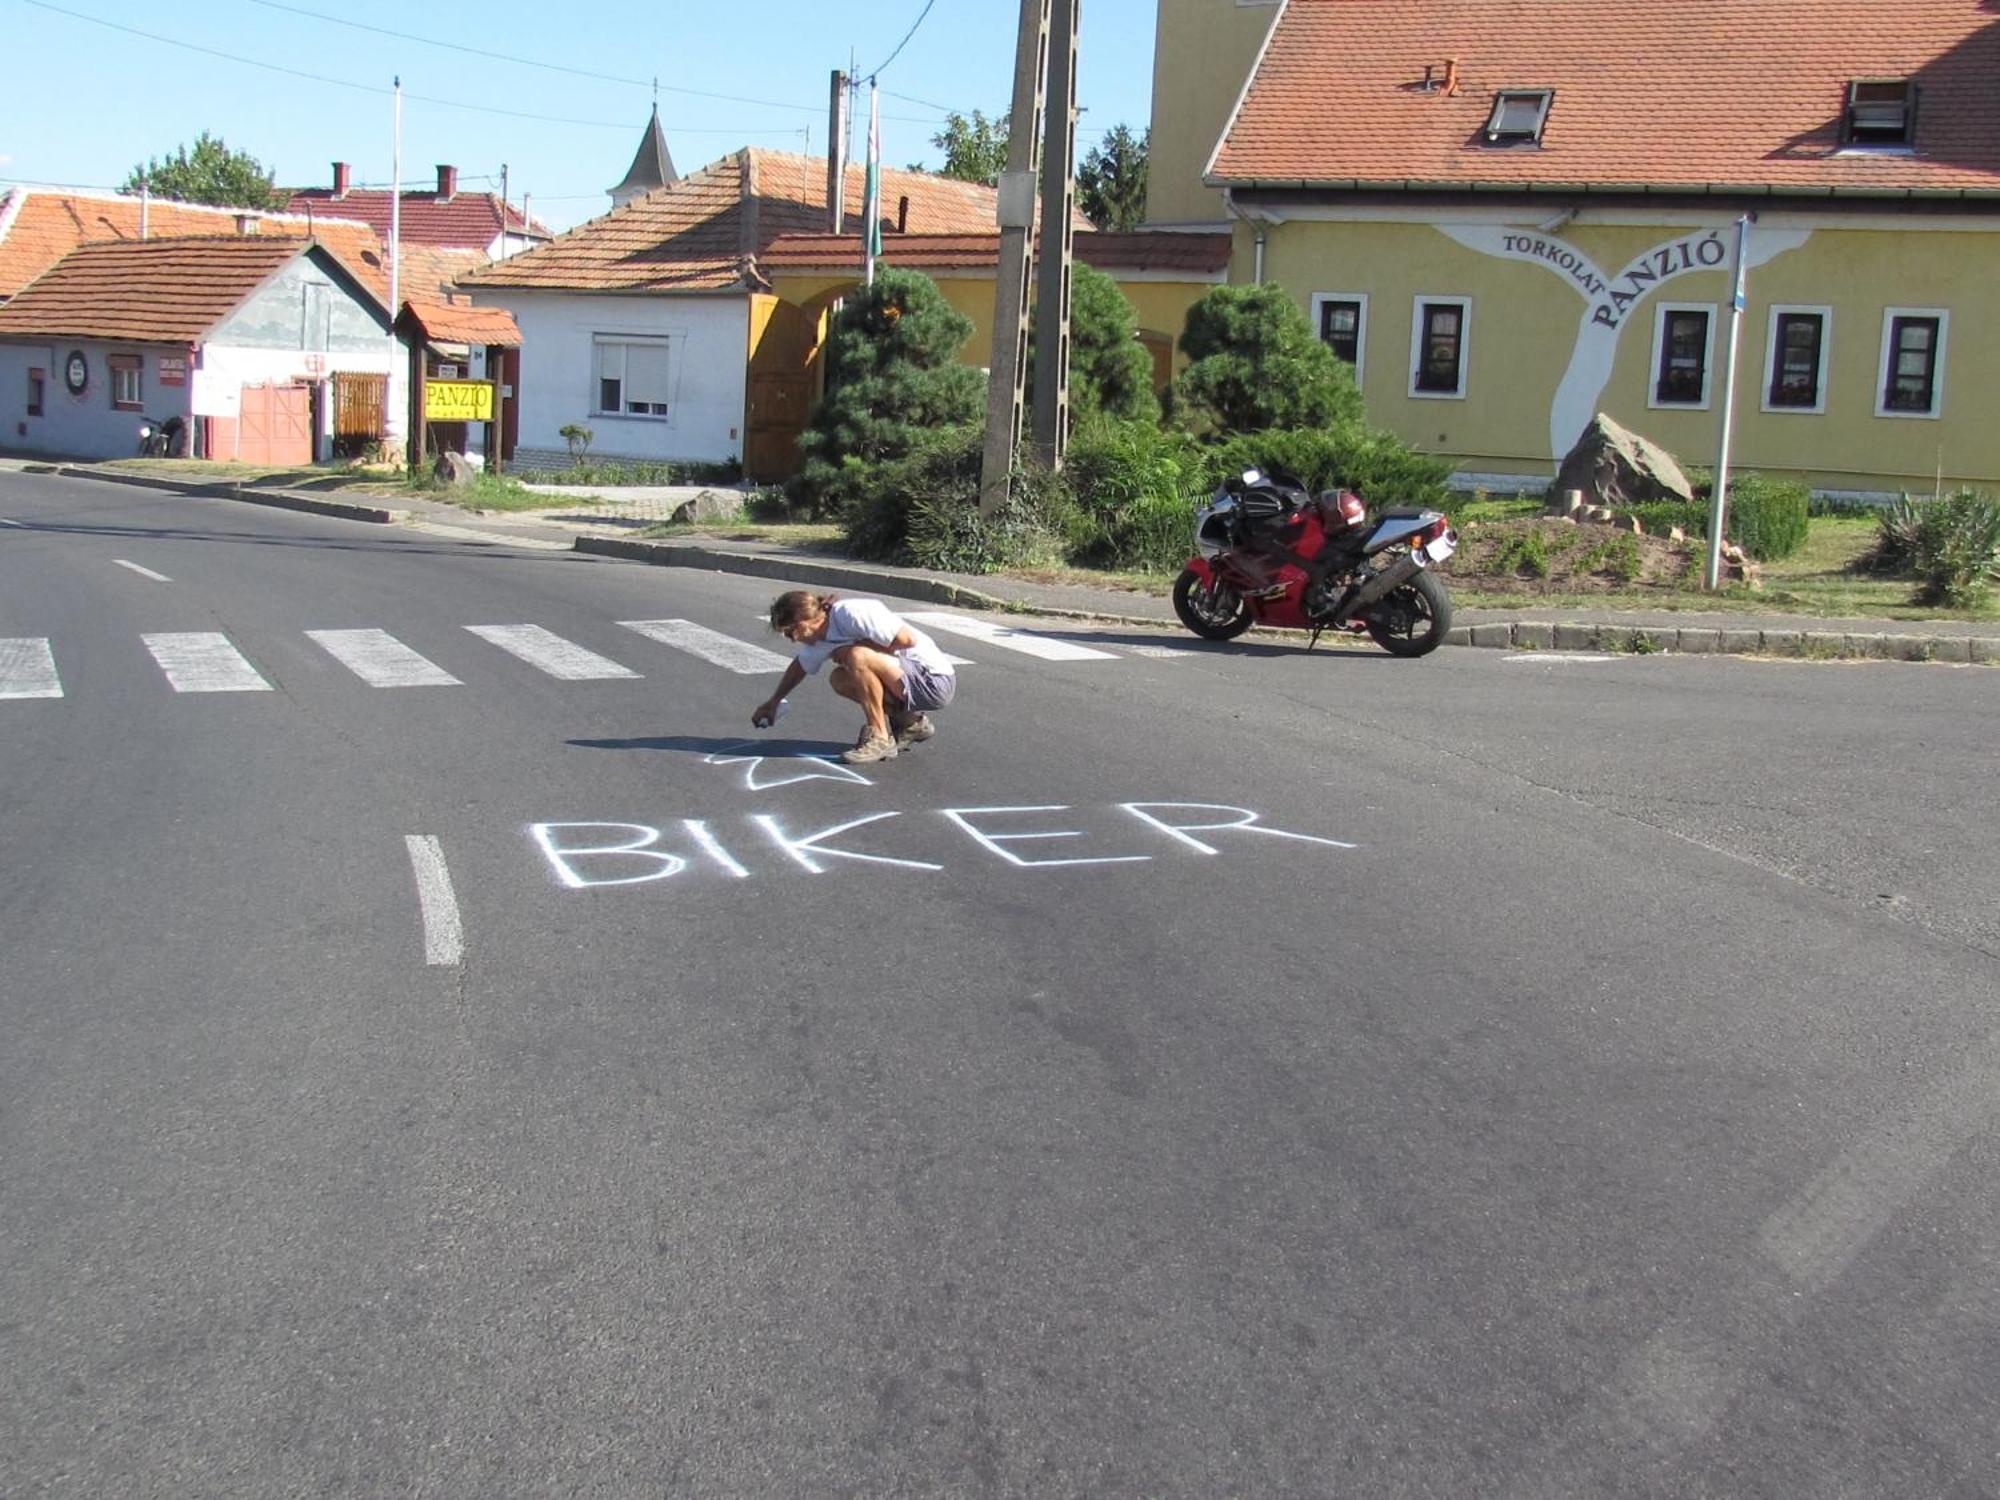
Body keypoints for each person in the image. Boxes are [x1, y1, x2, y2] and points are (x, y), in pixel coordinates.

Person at [752, 590, 957, 764]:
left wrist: (858, 649)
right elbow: (799, 667)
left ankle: (879, 738)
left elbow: (907, 639)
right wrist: (774, 701)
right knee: (839, 679)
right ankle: (910, 723)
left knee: (855, 656)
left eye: (790, 633)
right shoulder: (820, 640)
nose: (791, 640)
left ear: (803, 624)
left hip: (933, 680)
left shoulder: (850, 613)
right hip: (906, 679)